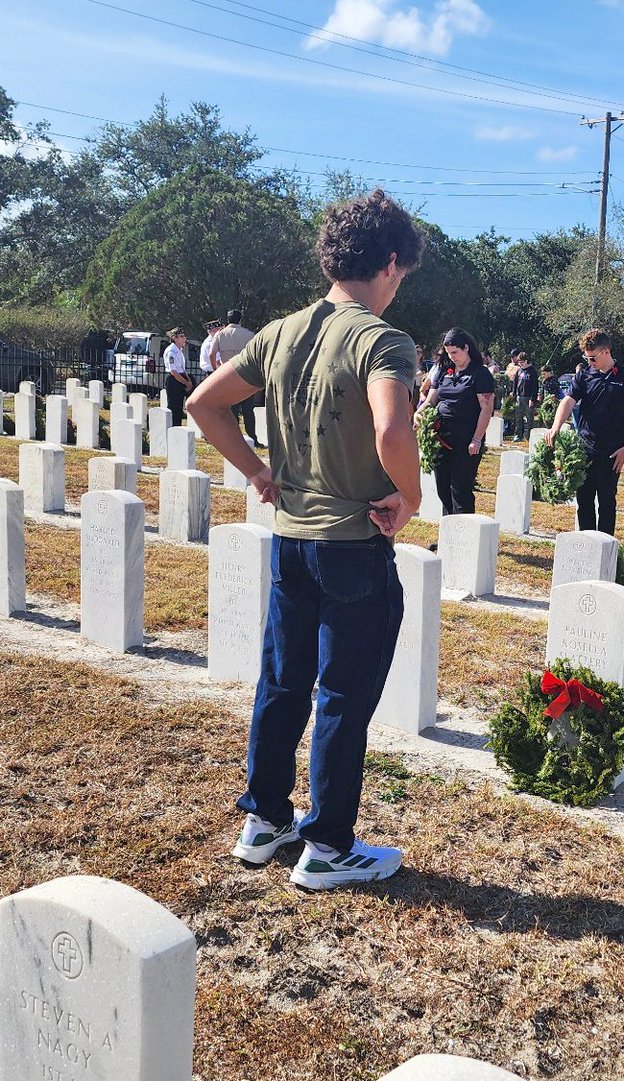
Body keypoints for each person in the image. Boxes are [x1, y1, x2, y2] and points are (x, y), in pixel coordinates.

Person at [185, 187, 422, 890]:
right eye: (401, 274)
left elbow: (204, 402)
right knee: (343, 696)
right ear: (388, 261)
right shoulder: (383, 339)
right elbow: (391, 428)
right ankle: (328, 845)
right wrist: (409, 496)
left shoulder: (280, 331)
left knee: (283, 682)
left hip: (290, 539)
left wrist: (258, 470)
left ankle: (263, 820)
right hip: (352, 542)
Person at [548, 328, 624, 534]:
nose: (590, 362)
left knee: (607, 502)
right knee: (584, 501)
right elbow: (568, 401)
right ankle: (586, 545)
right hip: (585, 449)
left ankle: (606, 549)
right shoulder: (584, 375)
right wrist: (556, 427)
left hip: (612, 451)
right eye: (587, 358)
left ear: (606, 351)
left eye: (592, 358)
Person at [415, 328, 495, 515]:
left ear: (466, 348)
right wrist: (418, 413)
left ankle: (464, 539)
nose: (452, 357)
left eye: (455, 352)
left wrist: (476, 439)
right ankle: (449, 538)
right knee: (443, 488)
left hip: (466, 439)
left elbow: (486, 409)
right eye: (449, 353)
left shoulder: (479, 374)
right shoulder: (445, 370)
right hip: (441, 437)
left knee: (460, 490)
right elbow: (431, 400)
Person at [212, 310, 261, 447]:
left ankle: (234, 439)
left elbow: (212, 353)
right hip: (245, 375)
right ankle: (252, 438)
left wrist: (217, 369)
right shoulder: (249, 335)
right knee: (248, 410)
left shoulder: (220, 335)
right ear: (240, 320)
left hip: (227, 375)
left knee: (231, 409)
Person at [162, 327, 192, 427]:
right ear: (174, 338)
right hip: (174, 380)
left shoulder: (179, 350)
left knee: (179, 408)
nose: (184, 339)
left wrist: (188, 381)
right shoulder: (171, 351)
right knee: (174, 408)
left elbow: (182, 369)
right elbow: (174, 372)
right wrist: (186, 383)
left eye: (184, 336)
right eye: (181, 337)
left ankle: (177, 429)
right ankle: (172, 429)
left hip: (181, 379)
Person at [512, 351, 538, 440]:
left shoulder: (532, 371)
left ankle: (529, 436)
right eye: (519, 363)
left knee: (529, 418)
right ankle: (518, 435)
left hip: (528, 398)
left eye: (522, 362)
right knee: (518, 417)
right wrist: (513, 392)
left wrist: (532, 399)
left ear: (526, 361)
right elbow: (515, 383)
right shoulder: (519, 371)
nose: (521, 364)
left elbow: (535, 387)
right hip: (519, 397)